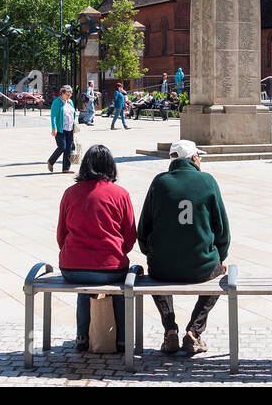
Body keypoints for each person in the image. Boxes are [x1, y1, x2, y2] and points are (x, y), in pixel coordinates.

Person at [137, 140, 230, 356]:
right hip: (202, 266)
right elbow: (222, 228)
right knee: (220, 275)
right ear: (194, 159)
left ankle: (170, 329)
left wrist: (150, 252)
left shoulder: (159, 183)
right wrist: (221, 255)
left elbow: (144, 227)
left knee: (156, 270)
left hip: (162, 267)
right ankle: (194, 332)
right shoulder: (207, 181)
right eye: (199, 157)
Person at [57, 145, 137, 352]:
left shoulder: (70, 193)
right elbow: (130, 236)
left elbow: (61, 234)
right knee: (119, 287)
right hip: (110, 268)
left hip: (72, 268)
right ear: (111, 167)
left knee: (84, 287)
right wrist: (115, 254)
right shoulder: (120, 194)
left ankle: (82, 336)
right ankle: (120, 339)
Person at [47, 85, 77, 173]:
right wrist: (54, 128)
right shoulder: (57, 102)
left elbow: (73, 113)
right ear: (62, 93)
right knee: (62, 147)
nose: (69, 96)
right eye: (67, 94)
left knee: (69, 148)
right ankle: (50, 161)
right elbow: (53, 116)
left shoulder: (70, 102)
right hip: (60, 129)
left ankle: (66, 168)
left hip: (69, 128)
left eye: (70, 94)